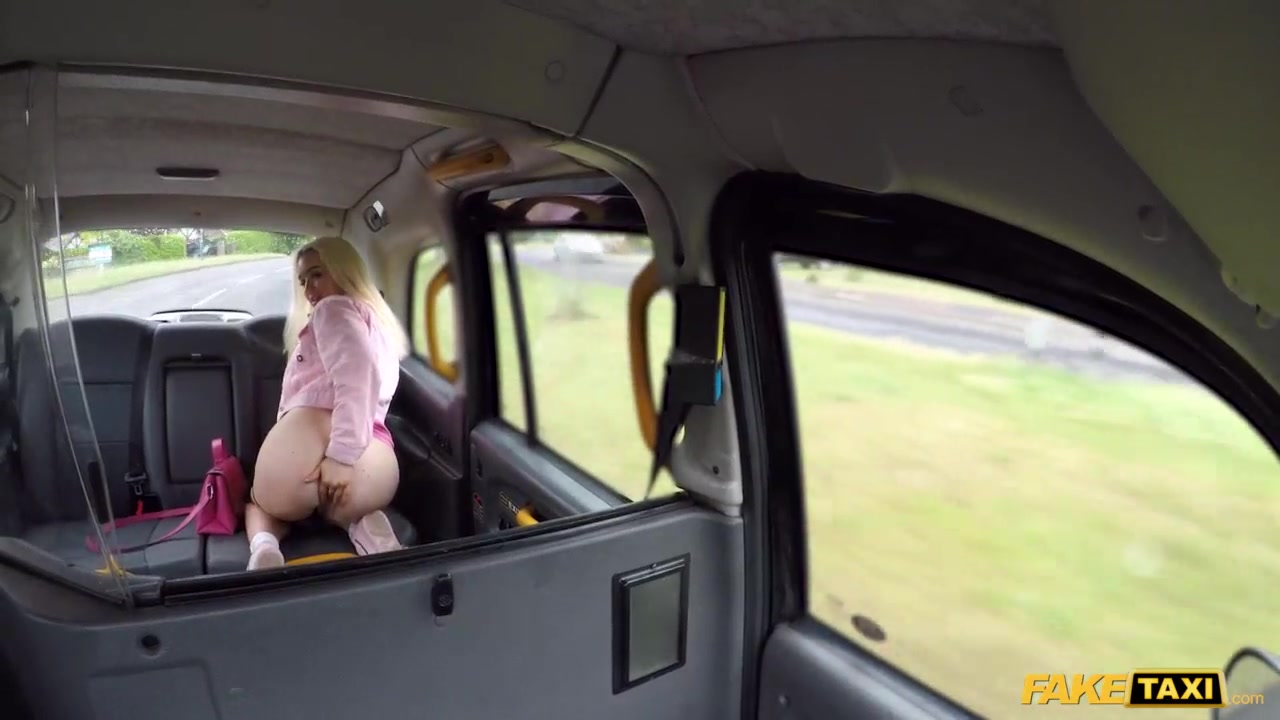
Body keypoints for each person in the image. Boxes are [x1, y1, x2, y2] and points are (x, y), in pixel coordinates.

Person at [244, 235, 409, 570]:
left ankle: (264, 547)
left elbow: (356, 373)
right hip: (373, 453)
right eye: (303, 281)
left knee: (258, 504)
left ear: (345, 271)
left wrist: (340, 457)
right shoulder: (375, 321)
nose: (309, 291)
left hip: (324, 447)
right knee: (341, 508)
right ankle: (364, 525)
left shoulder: (332, 309)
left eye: (317, 274)